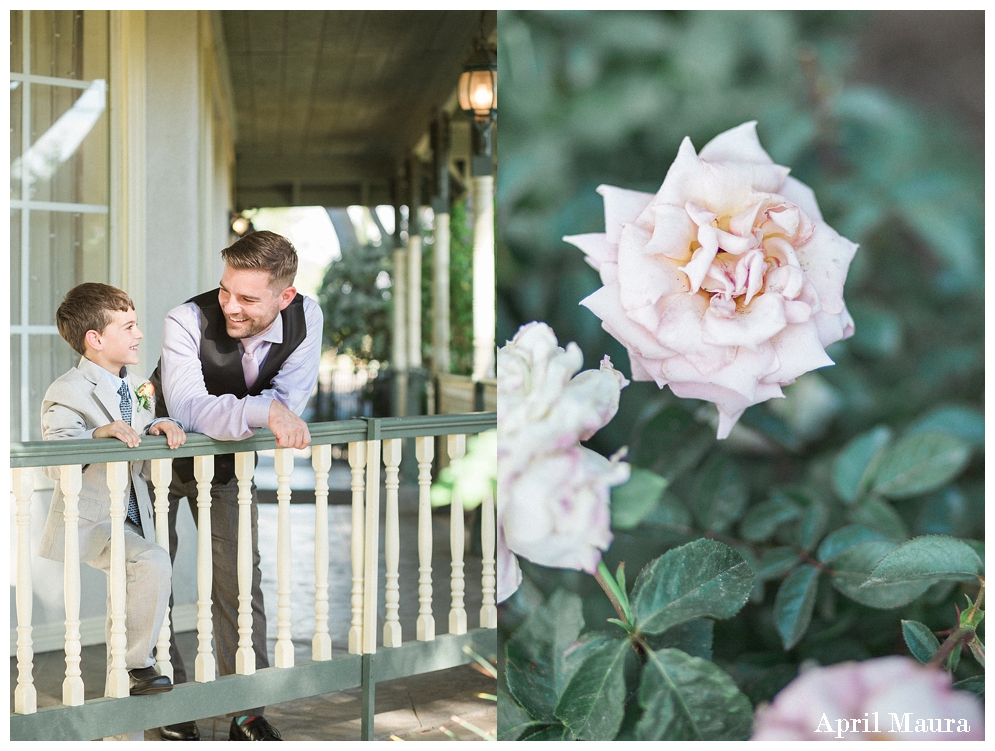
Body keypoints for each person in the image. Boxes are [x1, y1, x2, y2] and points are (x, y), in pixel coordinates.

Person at [151, 230, 322, 742]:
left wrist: (272, 409)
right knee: (153, 583)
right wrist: (261, 410)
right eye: (226, 290)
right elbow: (187, 407)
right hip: (159, 457)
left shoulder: (306, 317)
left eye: (248, 298)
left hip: (226, 466)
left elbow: (290, 400)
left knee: (240, 583)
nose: (231, 306)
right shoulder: (185, 320)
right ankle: (168, 704)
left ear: (284, 296)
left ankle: (246, 709)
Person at [39, 283, 187, 703]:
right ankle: (135, 664)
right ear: (95, 339)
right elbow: (52, 457)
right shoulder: (66, 391)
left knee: (142, 572)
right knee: (153, 560)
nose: (140, 334)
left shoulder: (141, 387)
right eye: (129, 326)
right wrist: (95, 435)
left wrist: (159, 427)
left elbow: (137, 441)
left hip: (134, 513)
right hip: (92, 520)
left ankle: (123, 695)